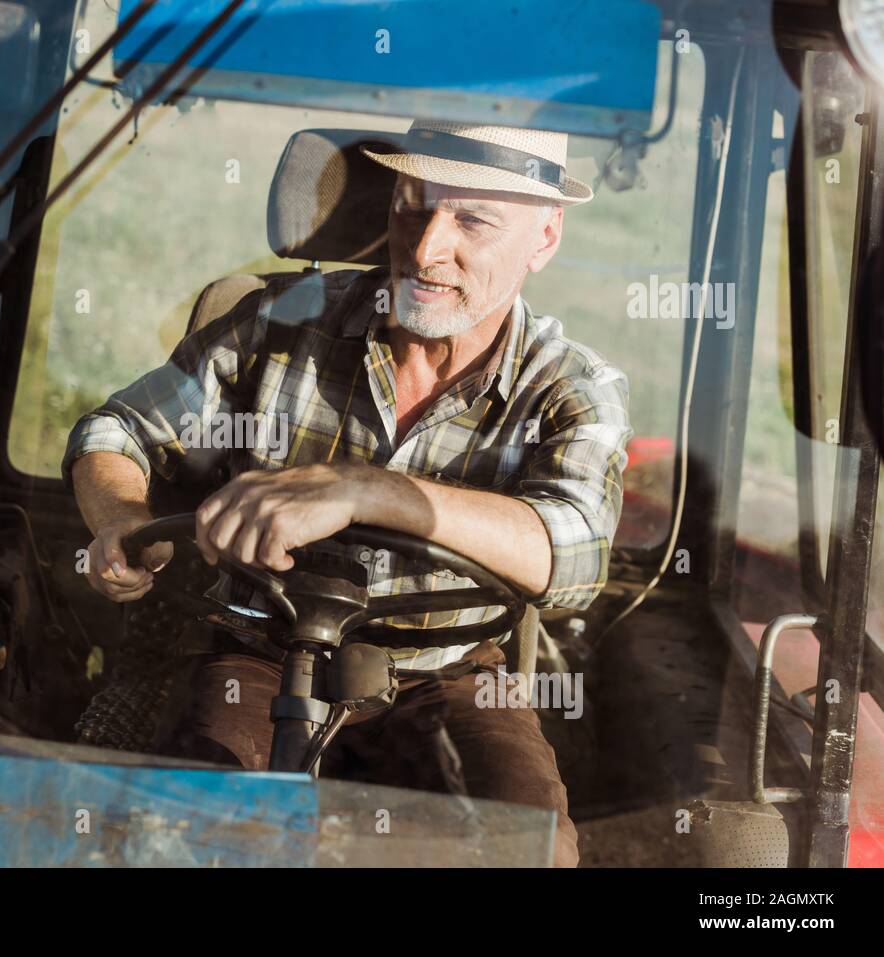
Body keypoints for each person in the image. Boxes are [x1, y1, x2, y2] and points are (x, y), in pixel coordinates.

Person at [62, 120, 633, 867]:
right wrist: (120, 518)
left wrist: (368, 490)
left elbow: (576, 553)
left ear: (544, 239)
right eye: (412, 204)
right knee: (187, 827)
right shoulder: (275, 320)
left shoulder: (572, 390)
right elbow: (117, 431)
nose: (426, 249)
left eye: (472, 221)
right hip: (256, 650)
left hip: (448, 674)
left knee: (533, 848)